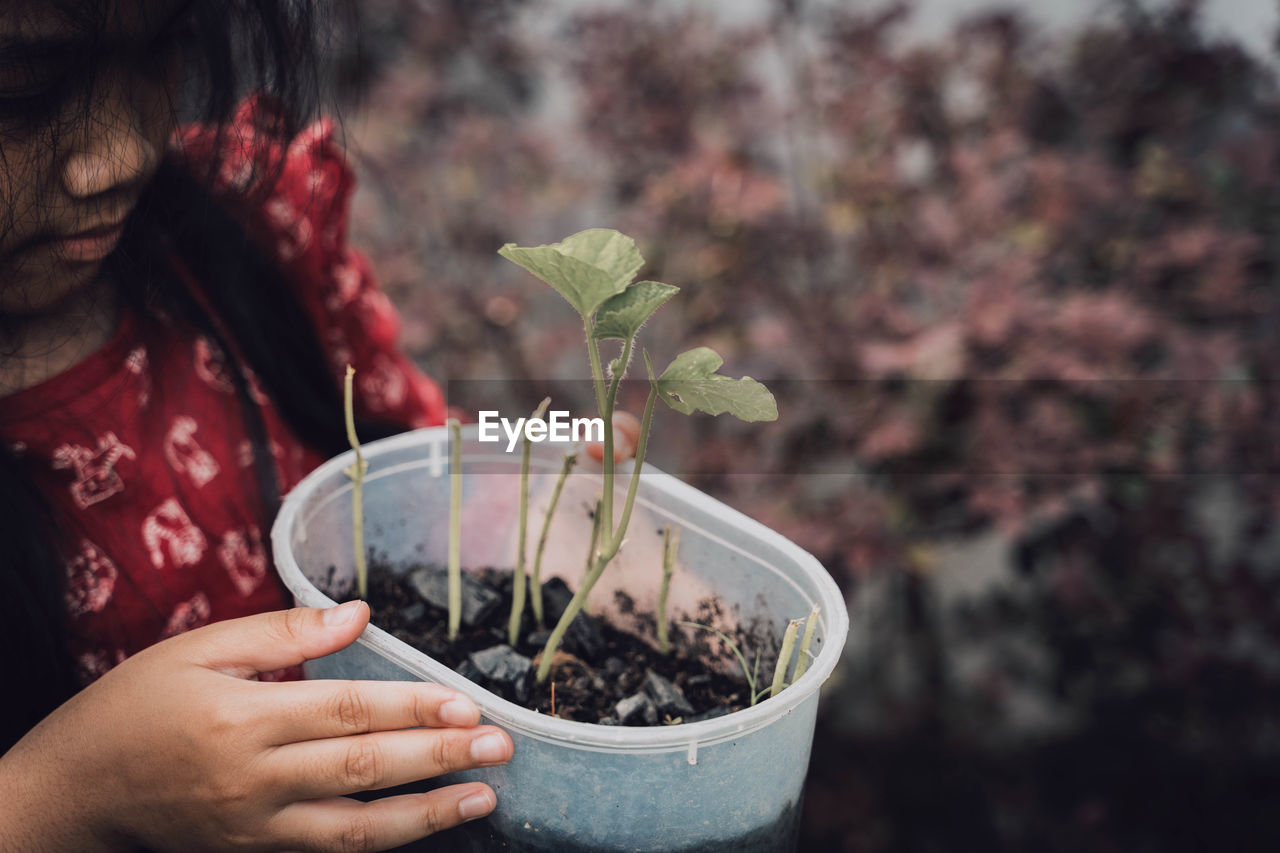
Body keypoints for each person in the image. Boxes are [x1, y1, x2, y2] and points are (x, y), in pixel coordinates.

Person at [0, 1, 516, 850]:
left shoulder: (249, 236)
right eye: (21, 87)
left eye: (160, 48)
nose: (123, 151)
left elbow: (422, 455)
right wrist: (68, 795)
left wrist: (532, 453)